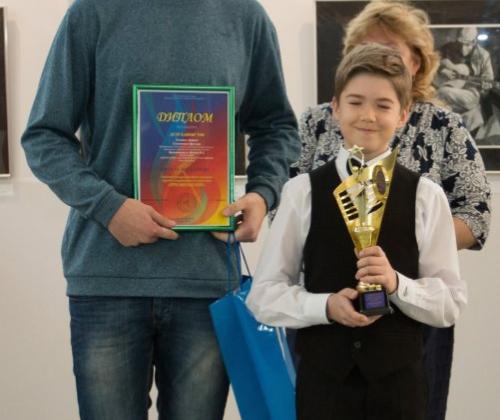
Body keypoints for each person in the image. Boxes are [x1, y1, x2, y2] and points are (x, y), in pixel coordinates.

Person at [21, 1, 300, 419]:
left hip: (205, 284)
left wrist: (262, 195)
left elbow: (276, 127)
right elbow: (43, 136)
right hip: (108, 279)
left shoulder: (246, 17)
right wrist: (109, 208)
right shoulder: (92, 13)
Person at [291, 2, 491, 419]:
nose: (376, 58)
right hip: (324, 307)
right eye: (363, 48)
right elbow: (287, 206)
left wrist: (404, 245)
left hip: (412, 309)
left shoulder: (445, 126)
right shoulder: (315, 121)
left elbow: (476, 215)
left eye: (390, 50)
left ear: (416, 62)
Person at [248, 43, 467, 420]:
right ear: (335, 107)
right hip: (323, 387)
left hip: (401, 390)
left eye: (383, 105)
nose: (368, 115)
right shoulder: (301, 192)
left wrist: (397, 284)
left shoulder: (426, 196)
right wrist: (324, 306)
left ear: (403, 114)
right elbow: (263, 296)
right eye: (355, 102)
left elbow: (449, 303)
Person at [436, 26, 495, 133]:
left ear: (474, 42)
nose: (463, 49)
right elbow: (431, 61)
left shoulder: (483, 55)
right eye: (461, 43)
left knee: (442, 92)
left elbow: (488, 79)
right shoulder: (448, 48)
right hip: (450, 86)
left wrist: (485, 88)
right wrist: (443, 70)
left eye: (467, 45)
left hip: (470, 93)